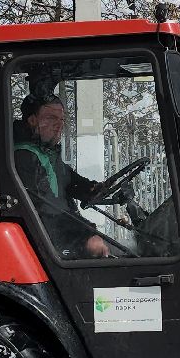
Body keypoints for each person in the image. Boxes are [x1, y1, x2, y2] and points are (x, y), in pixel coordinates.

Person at [14, 93, 111, 258]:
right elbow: (47, 210)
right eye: (51, 118)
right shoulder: (25, 157)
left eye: (61, 120)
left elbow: (71, 183)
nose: (58, 125)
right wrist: (84, 237)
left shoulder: (47, 154)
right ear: (32, 121)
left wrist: (93, 189)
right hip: (44, 244)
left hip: (57, 237)